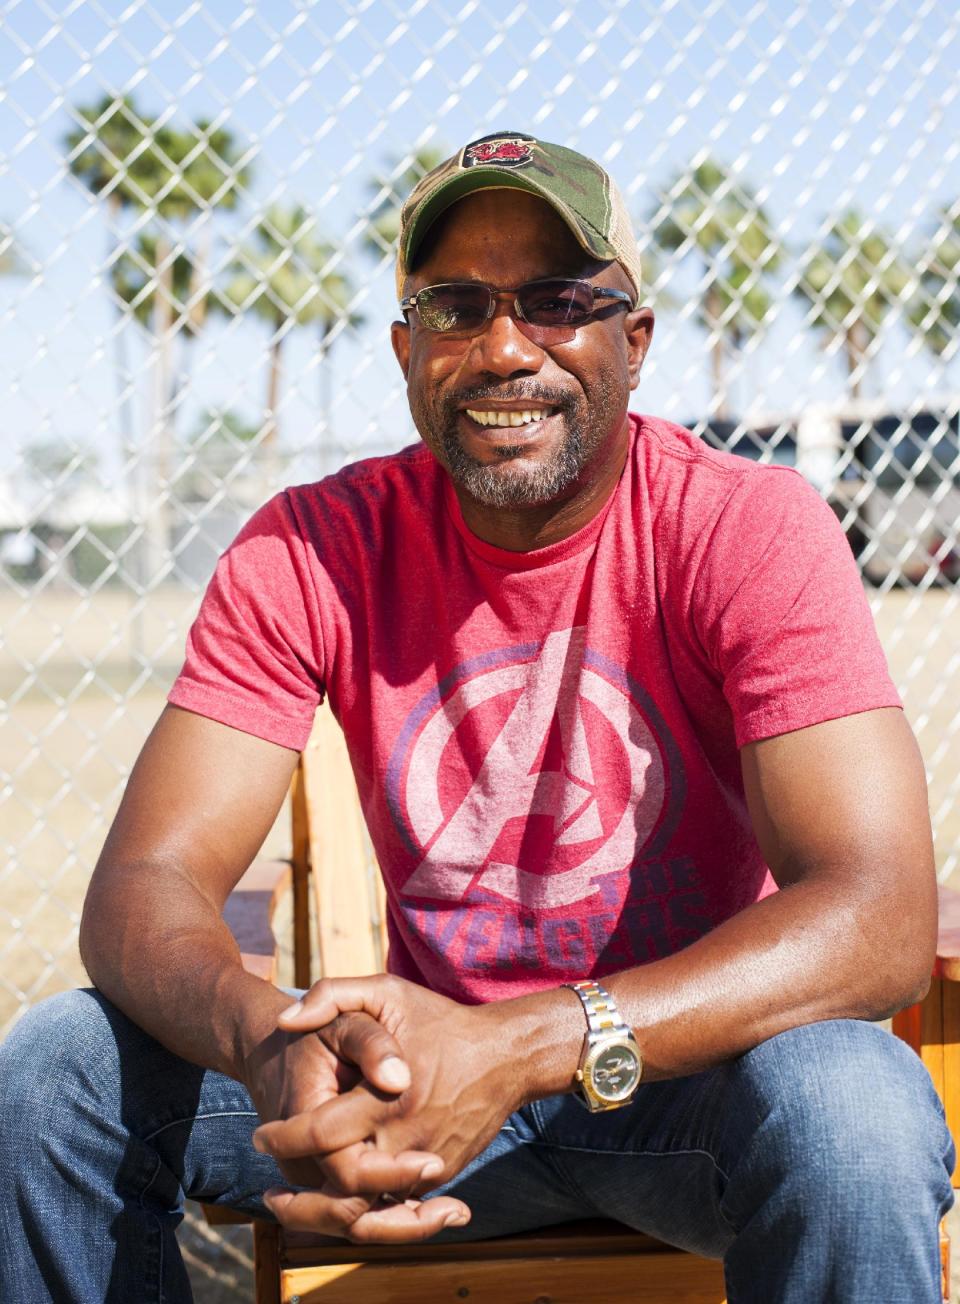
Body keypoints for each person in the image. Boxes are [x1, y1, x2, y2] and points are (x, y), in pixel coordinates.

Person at [0, 131, 953, 1304]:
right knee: (58, 1070)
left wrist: (517, 1046)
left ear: (634, 341)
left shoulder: (744, 526)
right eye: (456, 307)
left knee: (851, 1100)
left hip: (680, 1087)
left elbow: (881, 913)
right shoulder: (312, 547)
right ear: (407, 351)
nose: (504, 348)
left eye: (557, 301)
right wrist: (268, 1036)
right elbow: (144, 880)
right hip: (409, 1089)